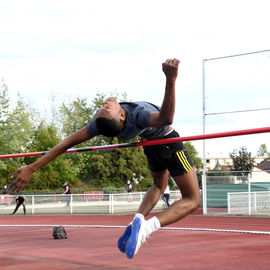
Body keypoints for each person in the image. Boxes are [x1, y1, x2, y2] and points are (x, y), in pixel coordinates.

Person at [9, 58, 201, 259]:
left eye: (103, 106)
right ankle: (147, 227)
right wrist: (171, 79)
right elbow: (165, 118)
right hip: (168, 141)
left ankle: (136, 219)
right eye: (106, 108)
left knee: (159, 186)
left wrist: (32, 167)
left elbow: (66, 143)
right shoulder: (137, 116)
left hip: (151, 146)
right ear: (121, 117)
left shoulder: (102, 124)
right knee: (193, 199)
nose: (105, 103)